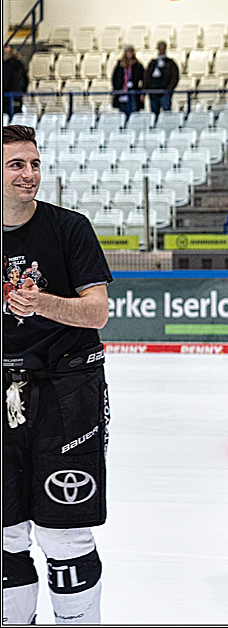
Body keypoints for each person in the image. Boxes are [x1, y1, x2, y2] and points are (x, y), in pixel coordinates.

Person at [2, 124, 113, 625]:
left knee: (65, 532)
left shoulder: (70, 228)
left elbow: (97, 313)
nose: (30, 175)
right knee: (5, 533)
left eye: (34, 163)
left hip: (68, 393)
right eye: (16, 165)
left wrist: (41, 303)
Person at [143, 40, 179, 117]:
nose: (161, 50)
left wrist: (169, 89)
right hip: (153, 92)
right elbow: (146, 77)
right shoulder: (152, 63)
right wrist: (146, 90)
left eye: (163, 48)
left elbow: (174, 77)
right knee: (154, 113)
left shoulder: (171, 63)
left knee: (167, 114)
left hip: (165, 92)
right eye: (160, 48)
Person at [111, 45, 145, 115]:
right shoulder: (120, 65)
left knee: (134, 110)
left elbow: (144, 78)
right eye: (128, 52)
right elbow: (115, 78)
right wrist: (116, 89)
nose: (129, 54)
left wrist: (141, 91)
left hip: (133, 92)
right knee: (122, 111)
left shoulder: (138, 65)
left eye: (131, 52)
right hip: (122, 91)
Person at [3, 45, 29, 117]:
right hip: (18, 93)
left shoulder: (6, 65)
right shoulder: (21, 64)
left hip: (8, 95)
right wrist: (23, 90)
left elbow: (5, 80)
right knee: (17, 113)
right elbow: (25, 79)